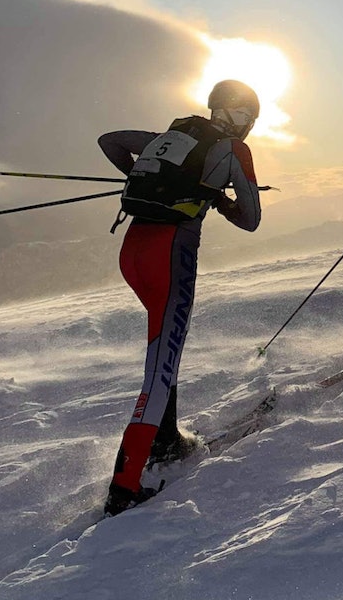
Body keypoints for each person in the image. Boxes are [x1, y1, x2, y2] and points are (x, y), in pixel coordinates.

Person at [97, 79, 262, 516]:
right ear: (233, 115)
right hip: (170, 254)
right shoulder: (232, 150)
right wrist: (221, 201)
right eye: (246, 116)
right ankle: (125, 486)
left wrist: (140, 174)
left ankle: (165, 438)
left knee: (162, 347)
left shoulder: (171, 137)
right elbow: (251, 221)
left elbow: (109, 141)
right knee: (160, 365)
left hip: (133, 251)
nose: (246, 126)